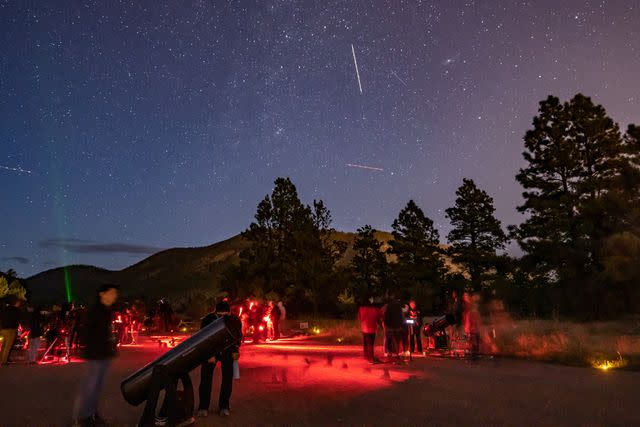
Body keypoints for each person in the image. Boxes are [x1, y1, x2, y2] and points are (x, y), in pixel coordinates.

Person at [73, 284, 119, 427]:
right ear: (101, 294)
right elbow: (87, 332)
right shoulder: (95, 310)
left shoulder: (106, 310)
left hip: (103, 354)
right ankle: (82, 418)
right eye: (111, 293)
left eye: (115, 294)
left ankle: (91, 414)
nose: (113, 296)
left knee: (97, 387)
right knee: (90, 387)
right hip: (95, 354)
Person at [197, 301, 242, 418]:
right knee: (206, 378)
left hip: (228, 351)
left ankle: (224, 406)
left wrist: (236, 350)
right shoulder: (207, 320)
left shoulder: (235, 320)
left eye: (225, 314)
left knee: (227, 378)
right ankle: (203, 407)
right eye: (219, 315)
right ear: (215, 312)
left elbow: (238, 336)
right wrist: (208, 355)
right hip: (211, 350)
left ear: (229, 312)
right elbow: (202, 338)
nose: (222, 317)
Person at [357, 297, 381, 363]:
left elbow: (359, 318)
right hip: (372, 328)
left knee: (365, 342)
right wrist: (379, 324)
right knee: (371, 343)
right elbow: (379, 317)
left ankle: (366, 356)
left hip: (364, 328)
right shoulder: (375, 309)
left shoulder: (361, 309)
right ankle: (371, 358)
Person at [0, 297, 22, 365]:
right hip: (11, 330)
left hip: (3, 329)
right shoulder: (15, 310)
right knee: (8, 346)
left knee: (3, 345)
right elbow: (17, 320)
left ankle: (1, 358)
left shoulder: (4, 309)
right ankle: (4, 361)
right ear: (17, 303)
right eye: (19, 303)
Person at [462, 293, 481, 360]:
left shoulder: (470, 313)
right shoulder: (473, 313)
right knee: (475, 344)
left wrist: (468, 330)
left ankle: (474, 355)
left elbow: (469, 322)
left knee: (474, 344)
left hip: (473, 330)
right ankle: (475, 355)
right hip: (475, 330)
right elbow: (476, 322)